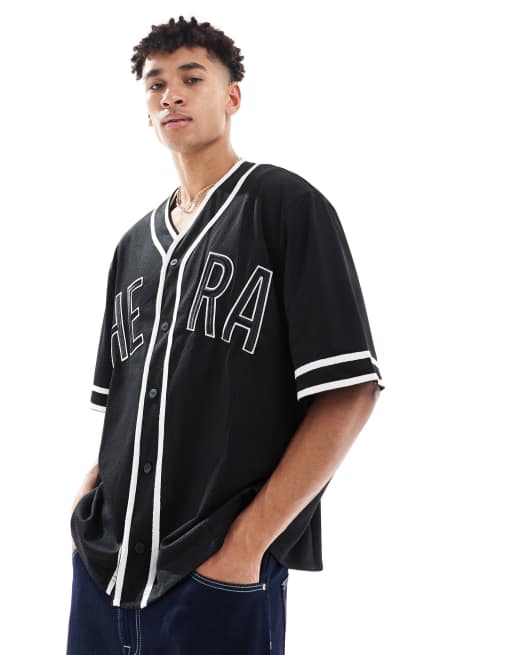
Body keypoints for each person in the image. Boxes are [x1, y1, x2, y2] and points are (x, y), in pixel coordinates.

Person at [66, 14, 385, 655]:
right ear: (145, 111)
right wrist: (86, 507)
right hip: (105, 571)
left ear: (232, 96)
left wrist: (248, 544)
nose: (171, 95)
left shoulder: (284, 205)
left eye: (192, 79)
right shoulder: (132, 246)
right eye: (156, 84)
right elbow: (125, 408)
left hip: (216, 573)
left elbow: (349, 391)